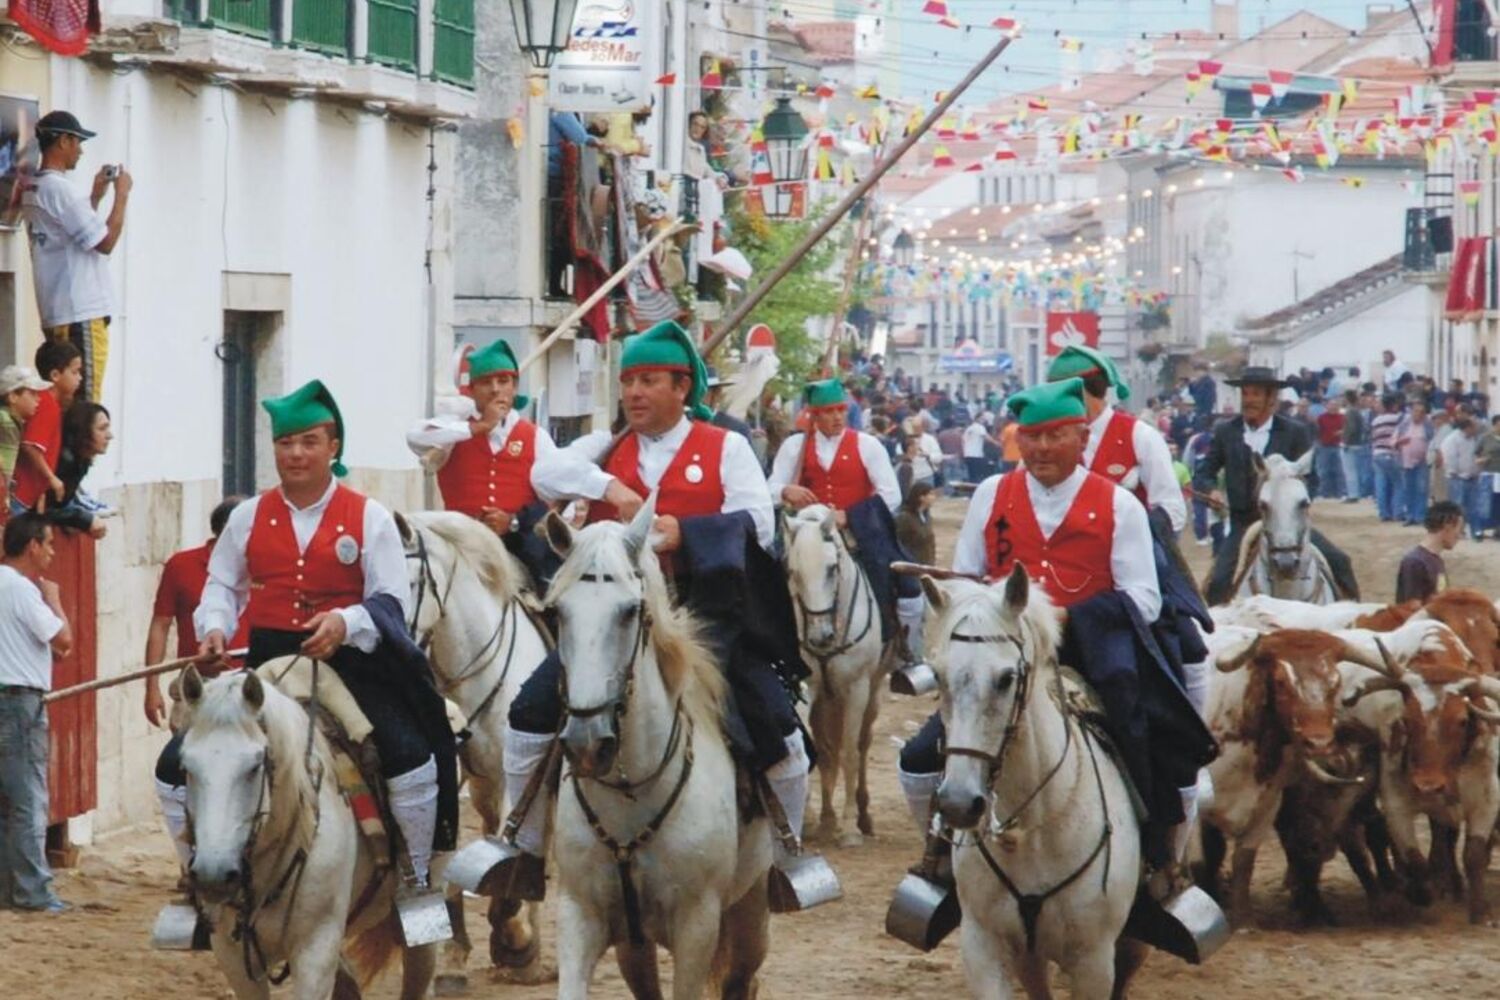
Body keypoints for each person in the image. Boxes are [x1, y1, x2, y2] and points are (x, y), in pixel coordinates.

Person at [500, 322, 836, 906]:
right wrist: (610, 487)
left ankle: (787, 853)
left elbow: (759, 523)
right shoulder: (604, 448)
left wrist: (689, 533)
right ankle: (522, 847)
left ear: (682, 387)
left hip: (705, 620)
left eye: (649, 380)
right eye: (628, 380)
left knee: (778, 727)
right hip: (610, 623)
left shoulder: (725, 446)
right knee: (527, 713)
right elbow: (542, 474)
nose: (633, 392)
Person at [895, 379, 1215, 892]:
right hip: (1002, 653)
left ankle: (1159, 864)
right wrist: (982, 613)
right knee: (918, 758)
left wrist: (1069, 618)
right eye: (1032, 436)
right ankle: (940, 854)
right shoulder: (991, 494)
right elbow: (966, 578)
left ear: (1081, 437)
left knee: (1159, 747)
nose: (1042, 447)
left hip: (1095, 651)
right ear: (1017, 439)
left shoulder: (1119, 504)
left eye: (1055, 435)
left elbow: (1145, 598)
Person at [193, 380, 457, 891]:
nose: (296, 454)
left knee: (411, 756)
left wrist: (344, 622)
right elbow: (222, 583)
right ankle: (200, 888)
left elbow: (391, 601)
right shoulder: (247, 517)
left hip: (352, 664)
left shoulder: (370, 517)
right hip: (268, 665)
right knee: (179, 764)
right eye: (285, 443)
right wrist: (216, 627)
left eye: (308, 442)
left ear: (333, 447)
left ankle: (418, 882)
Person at [769, 378, 920, 668]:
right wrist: (785, 490)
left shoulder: (867, 445)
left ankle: (907, 655)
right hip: (807, 538)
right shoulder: (795, 447)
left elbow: (891, 494)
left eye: (841, 409)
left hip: (858, 534)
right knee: (767, 582)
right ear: (814, 415)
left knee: (909, 586)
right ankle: (774, 655)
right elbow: (768, 488)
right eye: (829, 411)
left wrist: (850, 515)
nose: (838, 416)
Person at [1194, 367, 1359, 605]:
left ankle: (1351, 616)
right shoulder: (1226, 431)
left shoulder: (1295, 432)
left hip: (1289, 522)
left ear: (1271, 398)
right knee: (1218, 582)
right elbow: (1204, 472)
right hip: (1244, 524)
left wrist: (1295, 502)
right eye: (1245, 394)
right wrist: (1212, 490)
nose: (1248, 400)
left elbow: (1311, 479)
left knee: (1340, 562)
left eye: (1256, 394)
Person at [145, 497, 244, 882]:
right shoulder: (182, 565)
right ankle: (192, 866)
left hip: (253, 689)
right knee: (185, 775)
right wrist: (151, 685)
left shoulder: (266, 566)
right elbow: (161, 623)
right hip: (197, 691)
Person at [406, 338, 559, 585]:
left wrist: (513, 521)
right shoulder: (455, 432)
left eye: (503, 381)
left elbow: (559, 502)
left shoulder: (536, 437)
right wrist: (479, 426)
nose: (495, 390)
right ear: (472, 390)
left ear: (514, 387)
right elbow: (415, 436)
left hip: (518, 552)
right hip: (460, 551)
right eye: (486, 382)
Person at [21, 111, 130, 403]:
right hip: (81, 312)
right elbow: (104, 242)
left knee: (63, 402)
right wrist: (121, 196)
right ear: (63, 141)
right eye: (77, 142)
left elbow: (70, 235)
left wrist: (94, 197)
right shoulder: (62, 190)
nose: (80, 150)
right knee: (85, 406)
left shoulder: (34, 187)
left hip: (57, 310)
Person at [0, 513, 72, 912]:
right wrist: (54, 599)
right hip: (18, 701)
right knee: (27, 796)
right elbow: (64, 639)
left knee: (6, 800)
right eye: (48, 544)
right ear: (32, 546)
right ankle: (32, 891)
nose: (51, 553)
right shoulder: (23, 589)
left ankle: (8, 888)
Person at [1045, 345, 1187, 534]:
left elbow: (1172, 509)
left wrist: (1132, 535)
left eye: (1062, 395)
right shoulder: (1045, 440)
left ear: (1083, 393)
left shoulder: (1140, 436)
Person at [12, 341, 82, 517]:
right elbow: (30, 446)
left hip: (26, 496)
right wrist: (51, 478)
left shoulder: (49, 403)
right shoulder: (46, 403)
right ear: (55, 375)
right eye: (75, 372)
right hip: (19, 495)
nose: (80, 378)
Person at [45, 401, 113, 538]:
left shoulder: (81, 459)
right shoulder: (64, 462)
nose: (109, 436)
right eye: (102, 429)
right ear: (84, 432)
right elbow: (44, 509)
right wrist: (83, 520)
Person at [0, 366, 51, 512]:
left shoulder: (13, 422)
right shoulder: (5, 420)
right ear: (13, 397)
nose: (38, 399)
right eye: (32, 393)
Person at [1396, 501, 1463, 603]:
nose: (1459, 536)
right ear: (1447, 527)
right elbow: (1411, 607)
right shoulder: (1415, 563)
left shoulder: (1435, 560)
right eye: (1459, 530)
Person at [1441, 417, 1485, 539]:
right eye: (1474, 426)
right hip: (1457, 478)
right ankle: (1455, 532)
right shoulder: (1452, 439)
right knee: (1457, 507)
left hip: (1472, 477)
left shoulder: (1473, 439)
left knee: (1474, 506)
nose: (1477, 429)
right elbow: (1449, 457)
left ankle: (1476, 531)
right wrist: (1455, 472)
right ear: (1467, 428)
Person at [1396, 399, 1435, 527]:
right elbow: (1394, 440)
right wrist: (1399, 442)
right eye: (1416, 411)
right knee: (1408, 489)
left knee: (1422, 489)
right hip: (1406, 462)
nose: (1418, 414)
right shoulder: (1404, 425)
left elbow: (1433, 442)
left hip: (1422, 462)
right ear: (1411, 412)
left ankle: (1420, 516)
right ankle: (1410, 515)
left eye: (1421, 412)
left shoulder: (1428, 426)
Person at [1371, 393, 1404, 522]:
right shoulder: (1398, 418)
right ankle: (1398, 512)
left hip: (1377, 453)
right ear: (1394, 405)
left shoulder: (1376, 420)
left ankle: (1383, 513)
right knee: (1398, 484)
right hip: (1391, 453)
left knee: (1381, 484)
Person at [1313, 395, 1346, 500]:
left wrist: (1342, 432)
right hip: (1324, 447)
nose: (1333, 407)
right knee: (1323, 471)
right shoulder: (1321, 418)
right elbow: (1317, 431)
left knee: (1339, 470)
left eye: (1335, 405)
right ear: (1326, 406)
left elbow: (1347, 430)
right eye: (1331, 405)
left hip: (1338, 446)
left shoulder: (1343, 417)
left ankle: (1341, 492)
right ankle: (1324, 493)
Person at [1340, 389, 1369, 503]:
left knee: (1349, 471)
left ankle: (1353, 494)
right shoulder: (1357, 411)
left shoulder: (1350, 411)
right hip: (1357, 443)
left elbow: (1351, 428)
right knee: (1356, 470)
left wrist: (1346, 441)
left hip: (1350, 444)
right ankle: (1355, 493)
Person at [961, 410, 990, 483]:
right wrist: (997, 444)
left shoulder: (969, 428)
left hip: (968, 455)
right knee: (978, 476)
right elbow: (986, 437)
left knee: (971, 475)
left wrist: (964, 452)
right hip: (976, 455)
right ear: (977, 418)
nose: (984, 420)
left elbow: (963, 441)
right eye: (982, 418)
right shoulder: (980, 427)